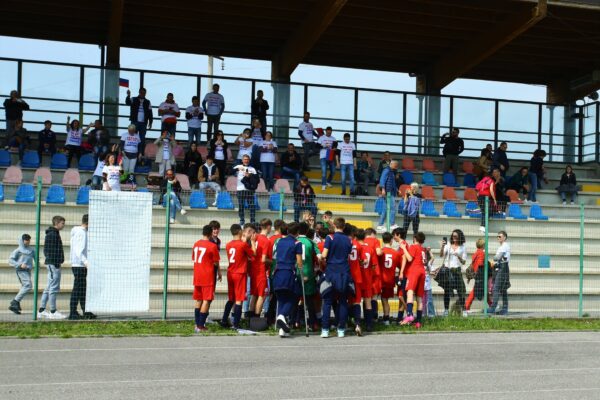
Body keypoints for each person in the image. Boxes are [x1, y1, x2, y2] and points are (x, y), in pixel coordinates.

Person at [320, 217, 353, 338]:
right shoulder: (349, 240)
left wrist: (320, 257)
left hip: (331, 271)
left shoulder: (330, 237)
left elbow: (324, 255)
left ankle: (325, 329)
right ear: (343, 227)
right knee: (343, 301)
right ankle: (341, 329)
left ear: (334, 225)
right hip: (344, 271)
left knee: (328, 301)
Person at [221, 224, 256, 329]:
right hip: (240, 273)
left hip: (230, 272)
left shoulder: (228, 244)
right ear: (240, 232)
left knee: (231, 298)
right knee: (239, 299)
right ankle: (236, 324)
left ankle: (224, 320)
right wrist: (253, 242)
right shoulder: (242, 244)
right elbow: (253, 254)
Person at [272, 222, 303, 337]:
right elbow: (299, 262)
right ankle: (281, 316)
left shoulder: (279, 241)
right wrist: (302, 271)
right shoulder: (297, 243)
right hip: (288, 272)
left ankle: (282, 329)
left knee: (282, 299)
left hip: (278, 271)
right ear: (297, 232)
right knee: (293, 296)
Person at [192, 225, 221, 332]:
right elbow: (215, 262)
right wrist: (219, 272)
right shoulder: (212, 246)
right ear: (210, 234)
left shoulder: (196, 244)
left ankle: (196, 324)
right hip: (207, 276)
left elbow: (194, 258)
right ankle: (201, 325)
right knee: (206, 300)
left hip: (197, 275)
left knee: (198, 299)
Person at [38, 216, 66, 320]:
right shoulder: (52, 234)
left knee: (49, 286)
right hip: (53, 264)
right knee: (54, 287)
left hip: (53, 263)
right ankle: (53, 311)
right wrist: (55, 262)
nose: (64, 225)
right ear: (57, 223)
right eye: (62, 223)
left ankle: (41, 310)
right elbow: (47, 251)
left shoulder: (54, 234)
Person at [69, 214, 95, 320]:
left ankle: (86, 311)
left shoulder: (81, 232)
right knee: (78, 289)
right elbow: (79, 250)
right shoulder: (81, 233)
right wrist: (86, 262)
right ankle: (73, 312)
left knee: (82, 289)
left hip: (80, 265)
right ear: (88, 223)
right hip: (79, 265)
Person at [399, 232, 427, 328]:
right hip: (422, 272)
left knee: (409, 292)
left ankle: (410, 315)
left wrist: (403, 248)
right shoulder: (423, 249)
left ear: (415, 238)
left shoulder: (413, 246)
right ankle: (418, 322)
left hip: (414, 271)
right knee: (419, 297)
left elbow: (410, 258)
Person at [295, 222, 320, 330]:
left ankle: (295, 321)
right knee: (309, 300)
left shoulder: (294, 241)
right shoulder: (311, 242)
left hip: (296, 272)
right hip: (308, 273)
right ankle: (313, 323)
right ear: (307, 231)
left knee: (296, 298)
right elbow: (319, 256)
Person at [439, 229, 467, 317]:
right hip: (448, 270)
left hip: (457, 271)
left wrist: (459, 257)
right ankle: (446, 310)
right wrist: (442, 247)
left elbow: (464, 262)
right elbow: (441, 255)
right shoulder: (448, 245)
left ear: (459, 237)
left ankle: (464, 310)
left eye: (455, 236)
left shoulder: (462, 247)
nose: (454, 237)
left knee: (461, 291)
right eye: (453, 236)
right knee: (447, 291)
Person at [248, 219, 272, 318]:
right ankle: (256, 319)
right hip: (260, 271)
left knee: (254, 294)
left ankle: (250, 318)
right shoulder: (266, 240)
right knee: (261, 295)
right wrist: (273, 261)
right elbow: (263, 259)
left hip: (252, 269)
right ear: (269, 227)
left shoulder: (255, 237)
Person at [357, 229, 378, 332]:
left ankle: (357, 324)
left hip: (357, 278)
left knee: (356, 302)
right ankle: (369, 325)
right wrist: (369, 271)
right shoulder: (370, 249)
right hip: (367, 278)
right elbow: (374, 265)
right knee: (368, 302)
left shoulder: (355, 248)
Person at [8, 234, 34, 315]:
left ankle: (15, 305)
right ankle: (15, 301)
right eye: (26, 239)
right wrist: (19, 265)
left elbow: (36, 258)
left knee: (25, 286)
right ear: (22, 240)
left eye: (29, 239)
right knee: (28, 285)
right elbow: (11, 260)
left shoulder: (32, 250)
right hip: (21, 270)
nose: (28, 241)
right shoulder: (18, 250)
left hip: (28, 271)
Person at [465, 238, 492, 313]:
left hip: (477, 274)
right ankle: (466, 307)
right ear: (483, 245)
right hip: (481, 274)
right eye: (485, 245)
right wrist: (488, 264)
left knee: (483, 290)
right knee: (475, 291)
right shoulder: (482, 253)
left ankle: (491, 305)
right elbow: (480, 264)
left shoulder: (476, 253)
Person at [487, 231, 511, 315]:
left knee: (496, 288)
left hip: (503, 267)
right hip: (500, 267)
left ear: (504, 237)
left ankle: (493, 308)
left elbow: (498, 257)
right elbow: (497, 259)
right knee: (502, 289)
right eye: (497, 236)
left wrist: (494, 258)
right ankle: (504, 309)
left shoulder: (505, 245)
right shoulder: (501, 247)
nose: (498, 238)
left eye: (500, 236)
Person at [379, 232, 400, 325]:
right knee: (385, 299)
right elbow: (399, 266)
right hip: (390, 279)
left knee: (378, 299)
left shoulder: (380, 251)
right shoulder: (395, 253)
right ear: (391, 241)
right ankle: (386, 318)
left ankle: (381, 317)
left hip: (380, 278)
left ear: (383, 240)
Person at [125, 88, 153, 155]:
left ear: (145, 93)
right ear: (139, 92)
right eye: (141, 92)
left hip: (143, 123)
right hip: (134, 122)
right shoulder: (133, 99)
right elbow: (127, 102)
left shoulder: (148, 102)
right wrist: (128, 95)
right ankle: (132, 152)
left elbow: (150, 113)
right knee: (132, 137)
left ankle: (140, 153)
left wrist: (150, 122)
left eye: (144, 93)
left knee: (142, 139)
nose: (142, 94)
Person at [376, 160, 400, 232]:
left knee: (385, 209)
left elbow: (392, 183)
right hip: (388, 193)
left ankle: (380, 225)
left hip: (391, 192)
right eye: (396, 165)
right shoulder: (386, 170)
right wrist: (383, 189)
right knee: (392, 208)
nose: (396, 167)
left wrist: (397, 190)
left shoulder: (392, 172)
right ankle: (392, 224)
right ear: (392, 164)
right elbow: (382, 180)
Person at [234, 154, 258, 225]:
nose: (246, 161)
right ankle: (242, 220)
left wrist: (250, 175)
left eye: (247, 159)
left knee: (252, 206)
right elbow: (229, 171)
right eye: (244, 159)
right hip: (240, 189)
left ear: (249, 160)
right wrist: (237, 169)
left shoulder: (252, 169)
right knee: (241, 206)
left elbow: (257, 179)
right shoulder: (238, 166)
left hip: (250, 190)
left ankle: (252, 220)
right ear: (242, 160)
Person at [316, 126, 337, 191]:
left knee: (333, 171)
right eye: (328, 133)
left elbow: (335, 147)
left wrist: (334, 149)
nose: (329, 134)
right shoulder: (321, 138)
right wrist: (324, 146)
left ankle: (328, 181)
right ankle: (323, 184)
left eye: (330, 133)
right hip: (323, 156)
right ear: (326, 131)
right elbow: (317, 146)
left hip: (331, 156)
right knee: (324, 171)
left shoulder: (334, 138)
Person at [424, 247, 436, 317]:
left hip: (428, 287)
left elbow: (433, 258)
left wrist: (429, 251)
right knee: (422, 302)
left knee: (430, 301)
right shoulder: (419, 264)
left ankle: (431, 314)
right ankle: (423, 314)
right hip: (421, 287)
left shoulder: (428, 264)